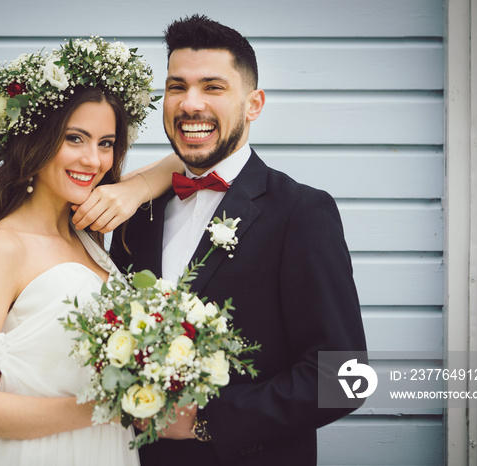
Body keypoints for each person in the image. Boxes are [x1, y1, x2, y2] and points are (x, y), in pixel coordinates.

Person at [100, 15, 369, 465]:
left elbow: (341, 378)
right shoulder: (136, 215)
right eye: (176, 87)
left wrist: (205, 421)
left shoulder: (301, 212)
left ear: (254, 104)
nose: (190, 104)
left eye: (213, 87)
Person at [0, 37, 180, 465]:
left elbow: (181, 162)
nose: (93, 159)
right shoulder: (4, 247)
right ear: (36, 140)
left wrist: (134, 190)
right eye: (75, 138)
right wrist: (113, 406)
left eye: (106, 143)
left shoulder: (85, 233)